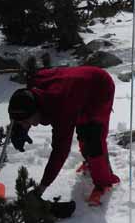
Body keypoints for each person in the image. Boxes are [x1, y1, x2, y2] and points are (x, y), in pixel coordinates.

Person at [7, 66, 120, 206]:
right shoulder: (31, 93)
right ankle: (90, 162)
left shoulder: (60, 106)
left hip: (100, 86)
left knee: (93, 137)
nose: (27, 125)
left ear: (37, 111)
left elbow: (60, 151)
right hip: (77, 87)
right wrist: (18, 129)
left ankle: (104, 183)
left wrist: (41, 188)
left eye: (26, 122)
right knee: (83, 131)